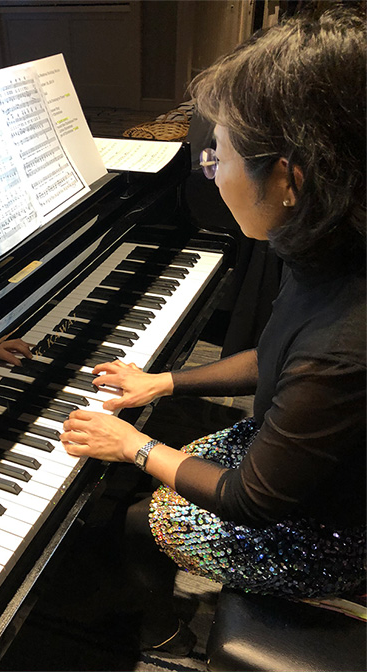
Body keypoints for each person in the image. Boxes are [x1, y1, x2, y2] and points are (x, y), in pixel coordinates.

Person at [60, 7, 366, 655]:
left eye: (216, 154)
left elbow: (250, 500)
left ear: (288, 179)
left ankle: (163, 635)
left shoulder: (348, 340)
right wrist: (164, 380)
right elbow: (277, 357)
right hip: (315, 467)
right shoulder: (329, 245)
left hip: (334, 532)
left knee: (147, 520)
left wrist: (131, 447)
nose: (209, 168)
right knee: (179, 445)